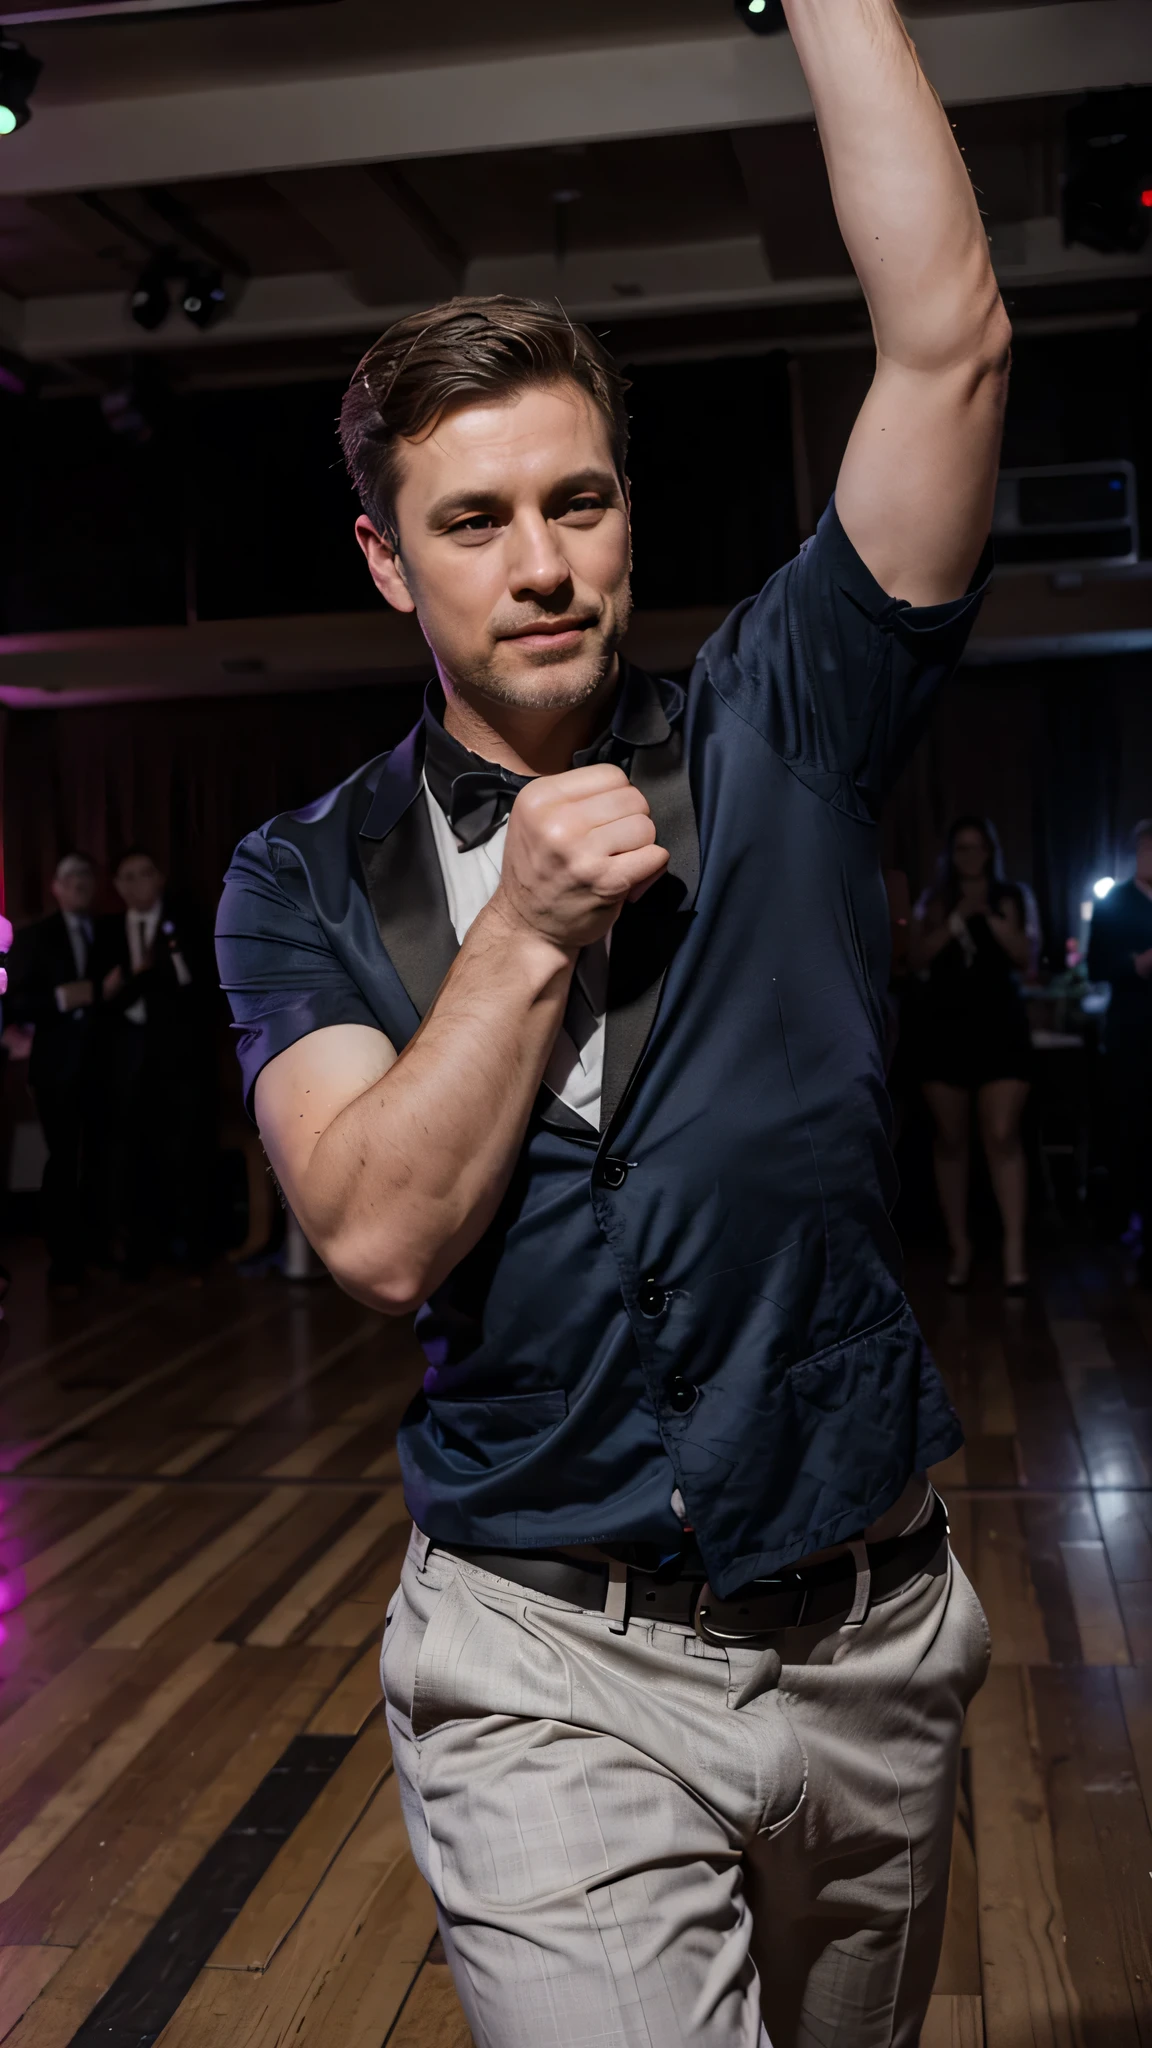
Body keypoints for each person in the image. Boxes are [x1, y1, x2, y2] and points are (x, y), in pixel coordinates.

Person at [216, 2, 1009, 2037]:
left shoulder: (786, 726)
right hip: (541, 1658)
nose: (543, 566)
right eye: (476, 525)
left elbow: (945, 343)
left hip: (868, 1640)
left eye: (578, 503)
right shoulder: (299, 877)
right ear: (390, 560)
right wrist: (529, 931)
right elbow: (376, 1231)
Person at [908, 815, 1036, 1292]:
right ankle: (960, 1248)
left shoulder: (1013, 897)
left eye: (977, 848)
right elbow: (916, 959)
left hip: (1000, 1026)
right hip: (944, 1029)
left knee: (1002, 1134)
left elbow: (1027, 957)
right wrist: (957, 917)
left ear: (990, 851)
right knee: (950, 1138)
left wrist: (991, 919)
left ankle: (1014, 1251)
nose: (969, 857)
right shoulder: (935, 899)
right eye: (961, 848)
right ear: (951, 854)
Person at [96, 848, 216, 1278]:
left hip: (180, 1058)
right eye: (126, 877)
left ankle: (194, 1252)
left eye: (143, 874)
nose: (135, 884)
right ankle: (139, 1250)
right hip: (127, 1060)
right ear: (116, 885)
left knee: (185, 1153)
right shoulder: (107, 930)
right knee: (131, 1156)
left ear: (159, 878)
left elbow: (201, 986)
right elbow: (101, 996)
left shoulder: (186, 922)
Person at [6, 852, 107, 1290]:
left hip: (106, 1068)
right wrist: (63, 999)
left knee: (103, 1159)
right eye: (71, 877)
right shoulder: (33, 937)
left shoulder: (110, 931)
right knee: (62, 1161)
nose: (79, 884)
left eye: (86, 876)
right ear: (56, 887)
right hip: (54, 1069)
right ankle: (63, 1262)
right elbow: (14, 1004)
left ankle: (100, 1249)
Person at [1088, 819, 1152, 1288]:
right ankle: (1127, 1224)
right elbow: (1095, 965)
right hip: (1132, 1034)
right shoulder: (1115, 903)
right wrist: (1137, 964)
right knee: (1131, 1131)